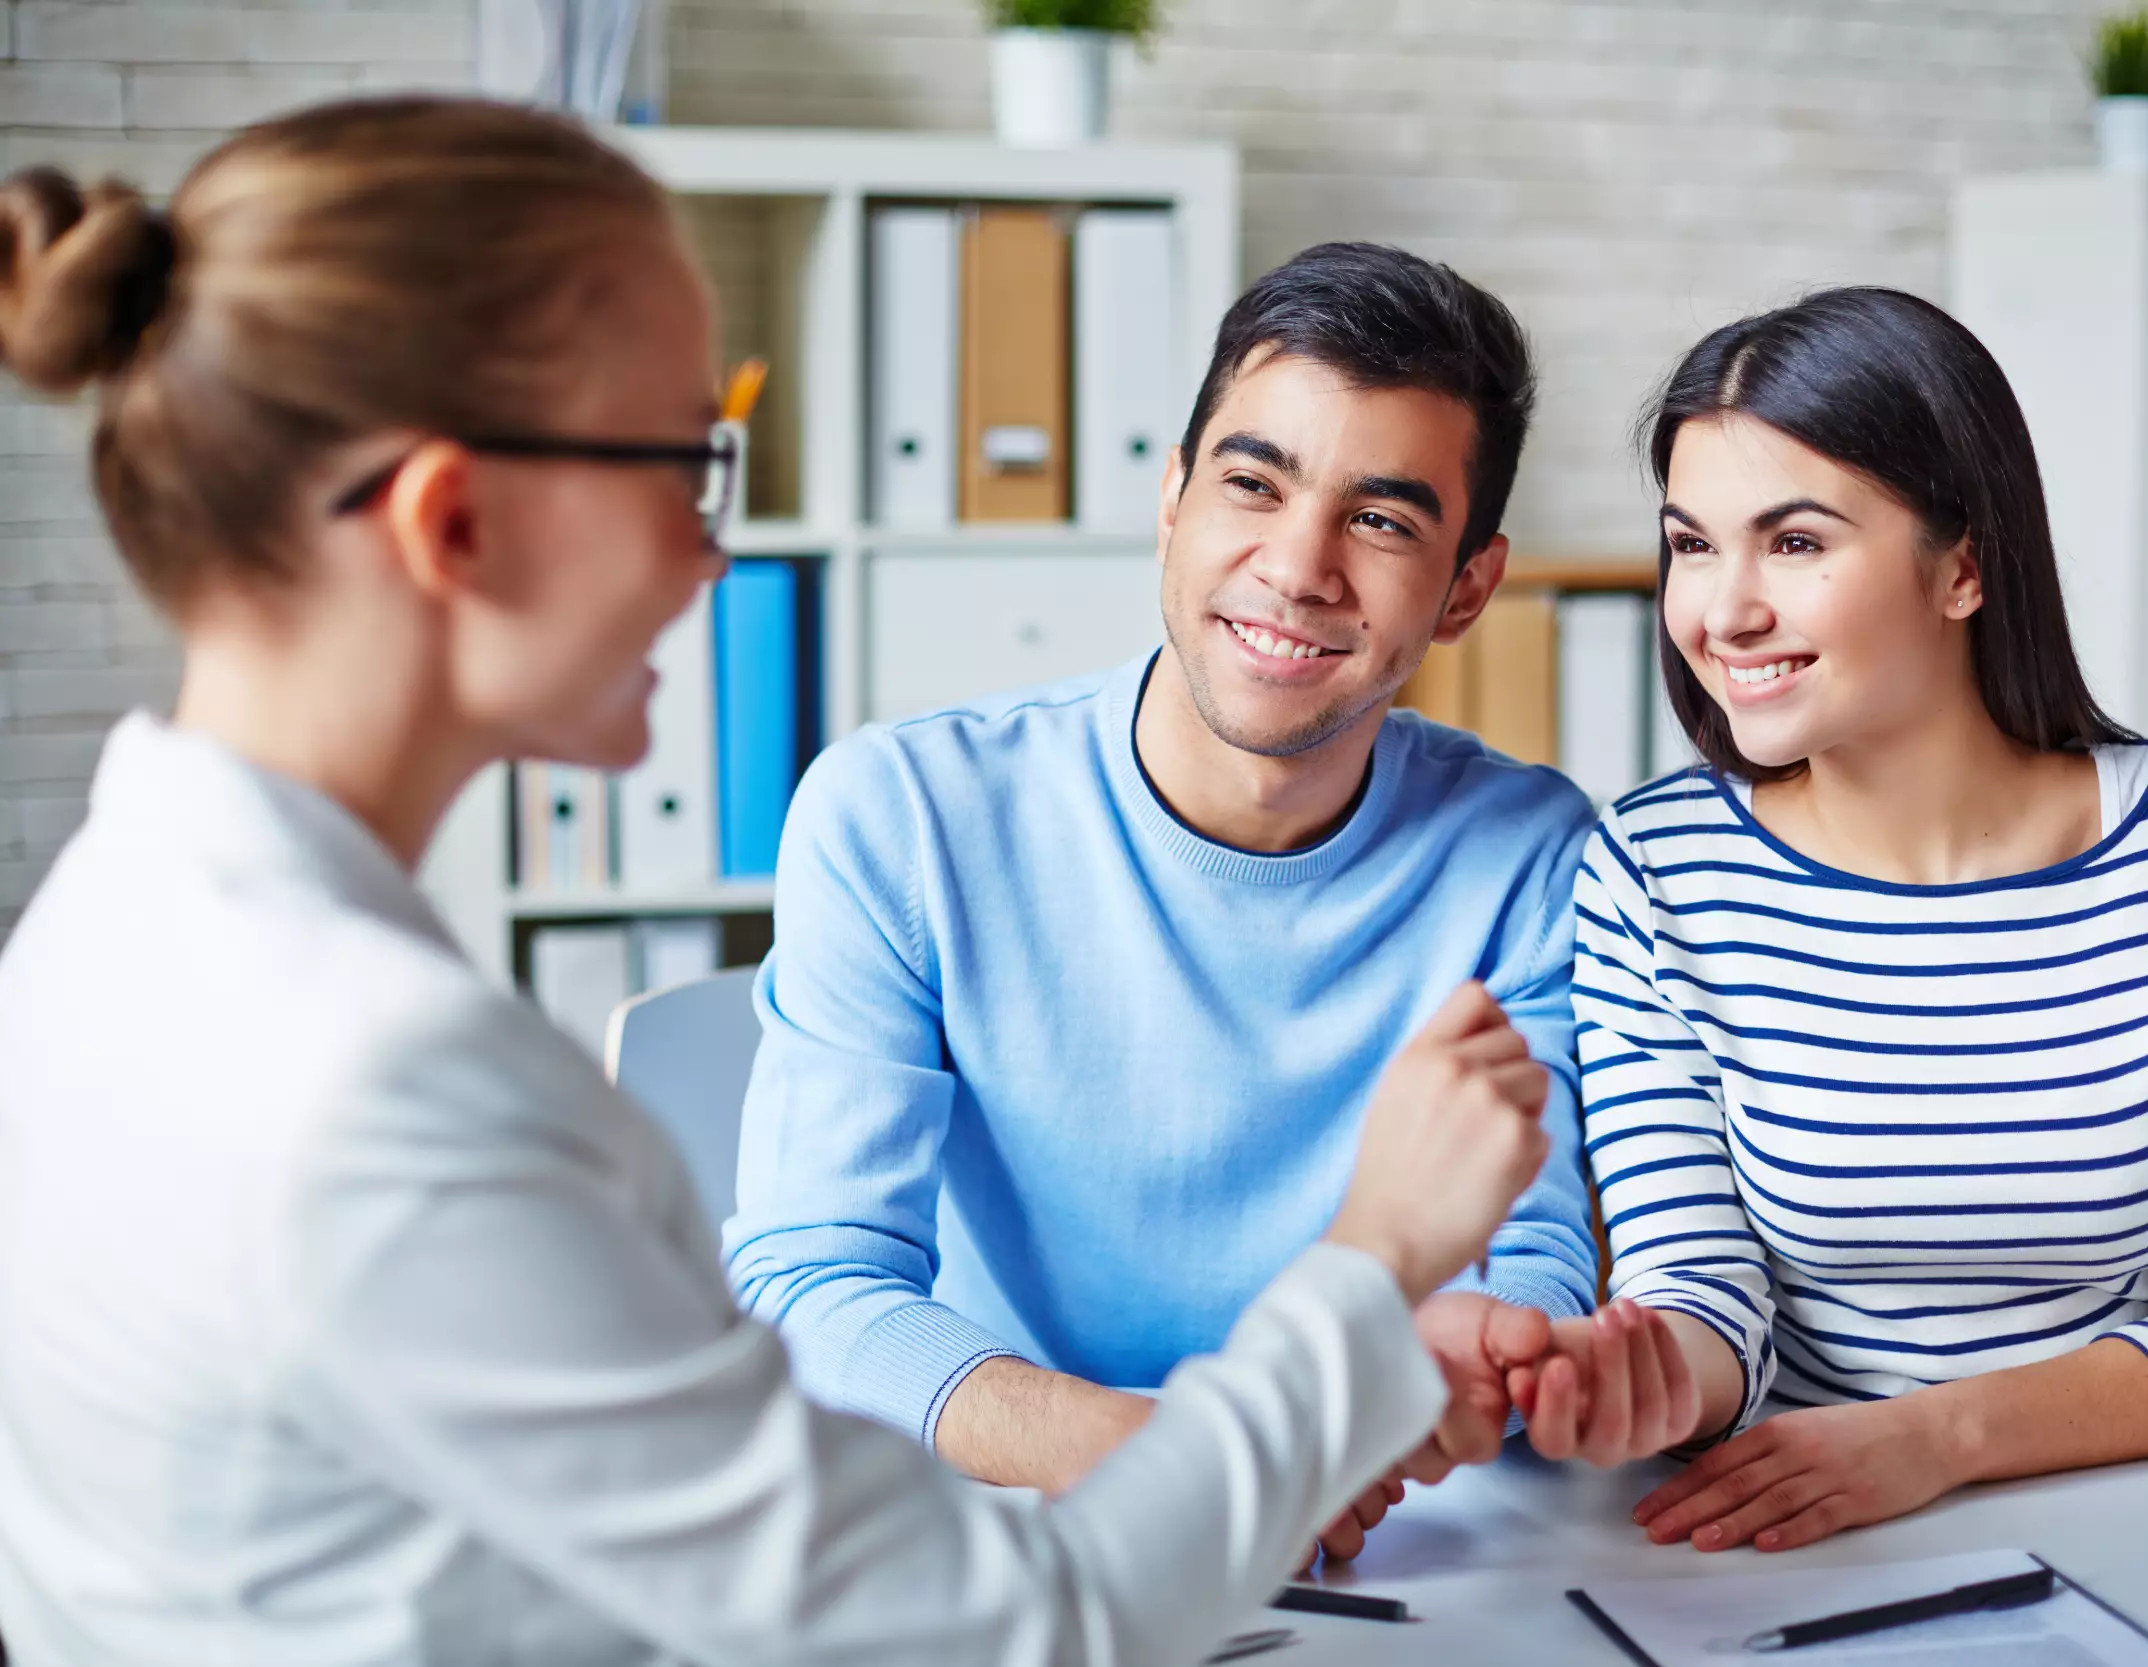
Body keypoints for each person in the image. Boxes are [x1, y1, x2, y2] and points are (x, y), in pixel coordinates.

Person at [0, 99, 1564, 1666]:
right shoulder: (390, 1090)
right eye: (685, 464)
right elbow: (1030, 1622)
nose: (711, 556)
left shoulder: (111, 928)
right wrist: (1375, 1254)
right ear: (455, 521)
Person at [731, 241, 1695, 1556]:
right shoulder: (900, 813)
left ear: (1468, 583)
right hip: (1008, 1528)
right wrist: (1177, 1464)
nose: (1299, 565)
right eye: (1256, 483)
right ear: (1174, 496)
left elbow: (1520, 1249)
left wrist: (1475, 1360)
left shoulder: (1525, 850)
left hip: (1381, 1530)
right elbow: (811, 1283)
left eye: (1382, 518)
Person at [1562, 287, 2148, 1554]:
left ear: (1965, 564)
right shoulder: (1656, 869)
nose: (1722, 609)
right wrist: (1634, 1375)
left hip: (2125, 1515)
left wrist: (1933, 1438)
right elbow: (1697, 1285)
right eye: (1691, 544)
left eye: (1796, 542)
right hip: (1789, 1533)